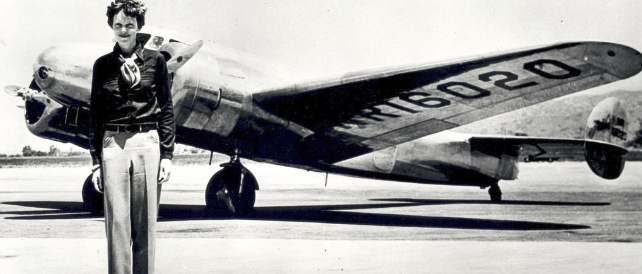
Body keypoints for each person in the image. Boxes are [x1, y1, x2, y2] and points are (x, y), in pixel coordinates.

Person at [89, 0, 175, 273]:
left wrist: (168, 154)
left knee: (146, 225)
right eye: (118, 25)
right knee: (116, 225)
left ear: (139, 26)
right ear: (111, 27)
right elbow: (96, 115)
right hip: (113, 144)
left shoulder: (156, 61)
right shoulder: (102, 65)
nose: (123, 30)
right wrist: (95, 161)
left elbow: (167, 109)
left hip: (147, 145)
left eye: (129, 25)